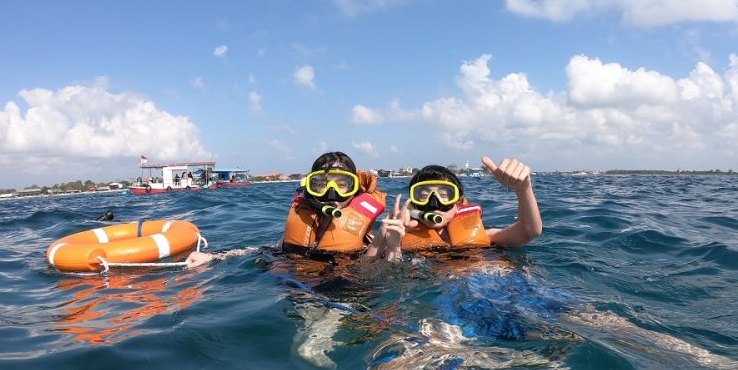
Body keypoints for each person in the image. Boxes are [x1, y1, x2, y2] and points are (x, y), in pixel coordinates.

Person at [186, 151, 385, 268]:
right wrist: (214, 257)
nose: (331, 193)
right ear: (309, 187)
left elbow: (373, 269)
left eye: (342, 184)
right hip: (295, 283)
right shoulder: (304, 218)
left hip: (344, 288)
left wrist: (389, 243)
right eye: (321, 184)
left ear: (355, 189)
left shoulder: (368, 238)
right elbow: (268, 250)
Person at [368, 156, 542, 261]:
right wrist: (391, 244)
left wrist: (523, 188)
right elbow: (369, 274)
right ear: (413, 203)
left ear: (459, 203)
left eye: (445, 195)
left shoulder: (487, 236)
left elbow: (529, 231)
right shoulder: (397, 237)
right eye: (423, 195)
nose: (434, 203)